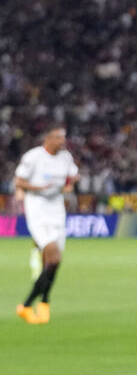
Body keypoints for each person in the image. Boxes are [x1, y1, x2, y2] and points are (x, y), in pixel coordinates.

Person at [13, 126, 78, 324]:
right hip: (38, 208)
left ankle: (41, 303)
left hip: (57, 209)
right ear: (47, 139)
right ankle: (29, 304)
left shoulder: (65, 157)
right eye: (58, 138)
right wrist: (38, 188)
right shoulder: (33, 157)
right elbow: (19, 181)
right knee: (53, 255)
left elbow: (72, 176)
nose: (62, 141)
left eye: (63, 137)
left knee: (53, 262)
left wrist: (69, 185)